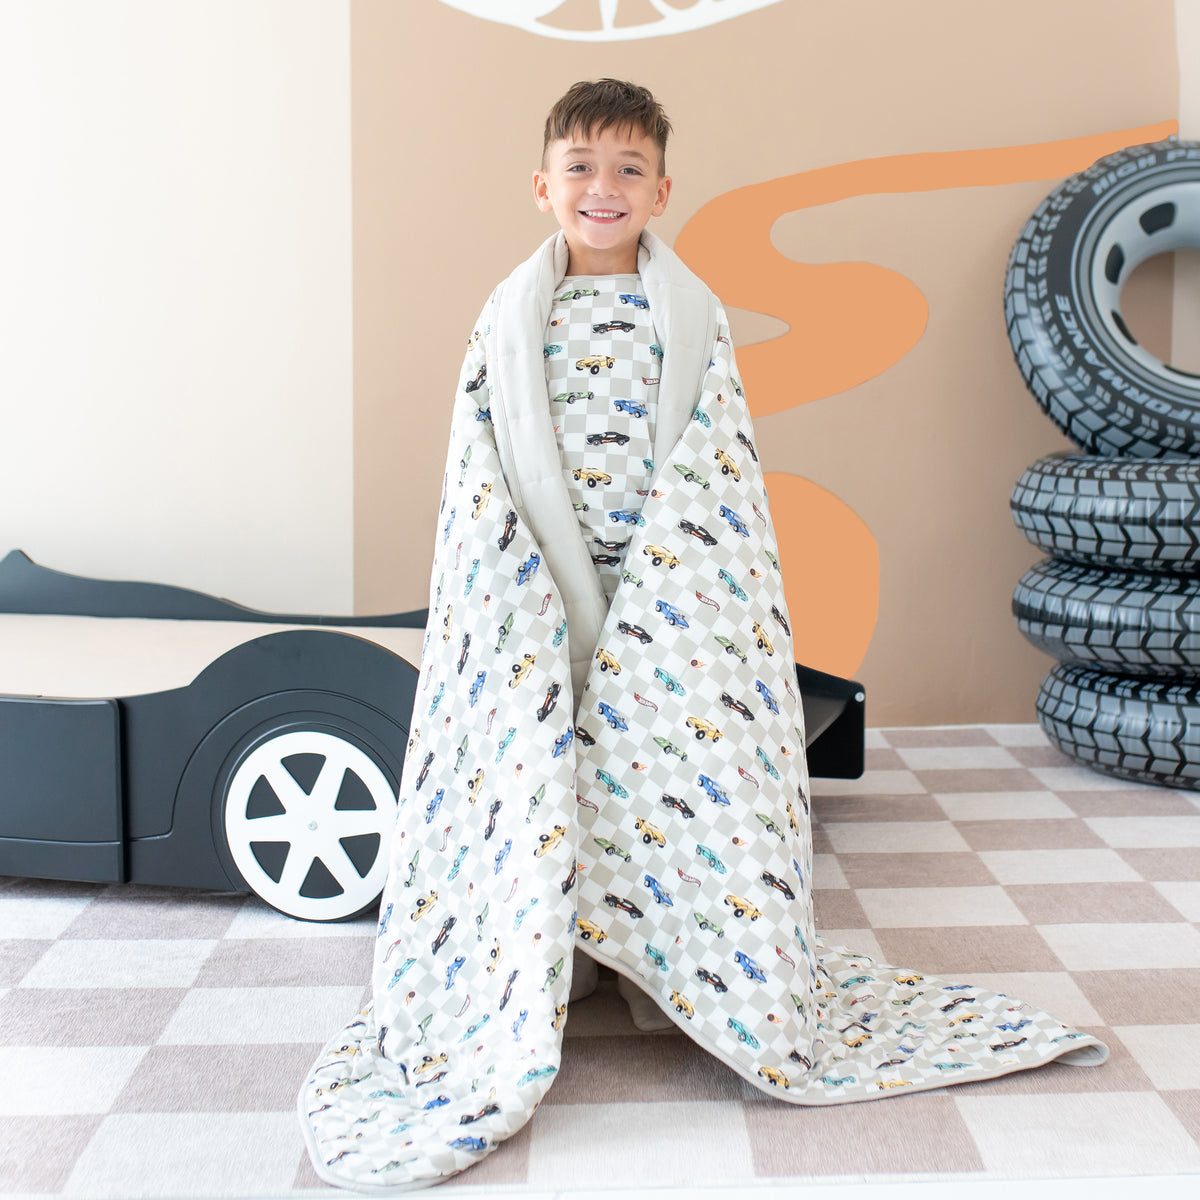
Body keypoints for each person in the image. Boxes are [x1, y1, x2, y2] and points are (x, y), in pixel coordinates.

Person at [299, 80, 1106, 1193]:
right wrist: (521, 582)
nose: (603, 187)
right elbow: (478, 467)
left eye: (629, 169)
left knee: (655, 765)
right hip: (536, 578)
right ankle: (552, 961)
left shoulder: (689, 314)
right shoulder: (507, 318)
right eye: (580, 165)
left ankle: (669, 959)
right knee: (540, 767)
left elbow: (719, 466)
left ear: (664, 191)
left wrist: (667, 594)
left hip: (666, 588)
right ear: (543, 186)